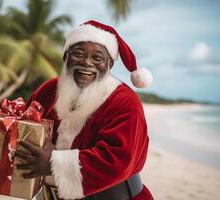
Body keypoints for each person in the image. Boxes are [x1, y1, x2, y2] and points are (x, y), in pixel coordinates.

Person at [14, 20, 154, 200]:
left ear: (110, 64)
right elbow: (26, 127)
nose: (87, 63)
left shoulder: (125, 102)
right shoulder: (48, 90)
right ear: (66, 57)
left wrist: (53, 163)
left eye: (97, 58)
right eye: (78, 54)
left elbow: (118, 161)